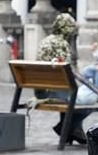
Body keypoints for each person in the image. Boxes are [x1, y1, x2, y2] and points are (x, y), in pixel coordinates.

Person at [36, 12, 90, 145]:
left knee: (72, 94)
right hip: (57, 93)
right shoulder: (62, 44)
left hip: (42, 91)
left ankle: (72, 131)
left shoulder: (45, 41)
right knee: (91, 103)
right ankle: (65, 128)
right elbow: (68, 71)